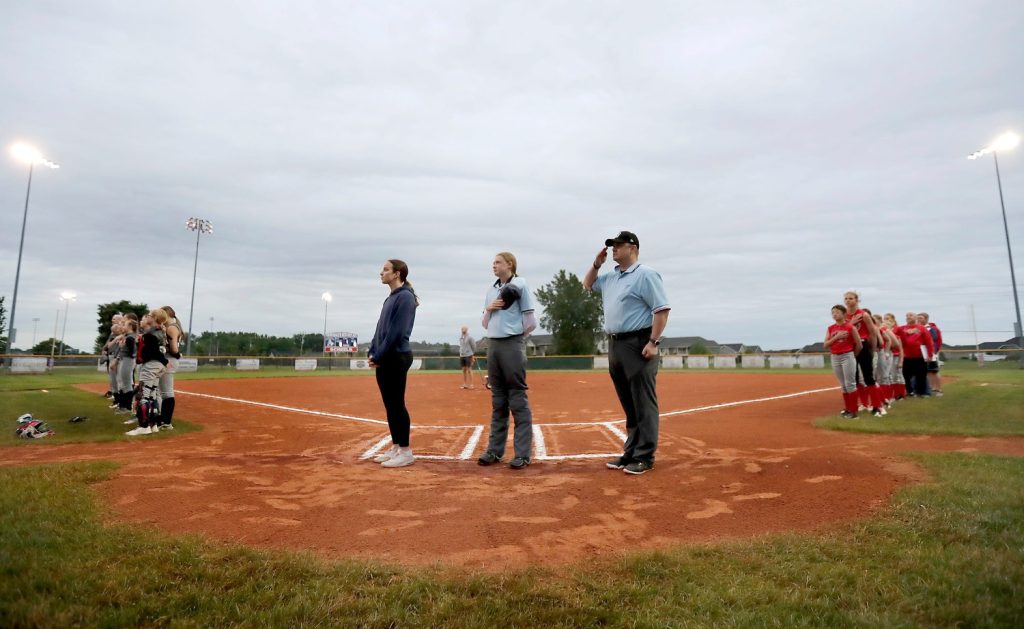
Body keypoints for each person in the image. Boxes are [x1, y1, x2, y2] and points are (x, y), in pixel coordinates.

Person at [584, 231, 670, 475]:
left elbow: (661, 311)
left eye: (618, 246)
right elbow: (587, 284)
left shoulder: (646, 275)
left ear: (632, 248)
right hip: (615, 344)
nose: (613, 249)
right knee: (629, 403)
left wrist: (653, 341)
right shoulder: (611, 277)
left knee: (643, 401)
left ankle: (645, 455)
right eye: (612, 246)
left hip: (638, 342)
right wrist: (596, 265)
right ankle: (631, 452)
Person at [477, 252, 538, 469]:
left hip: (512, 343)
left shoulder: (520, 284)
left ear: (509, 264)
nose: (493, 265)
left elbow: (531, 321)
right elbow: (485, 323)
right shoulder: (491, 290)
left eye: (498, 262)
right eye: (492, 262)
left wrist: (516, 336)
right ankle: (494, 451)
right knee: (498, 400)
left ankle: (522, 454)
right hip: (492, 344)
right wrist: (489, 309)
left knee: (517, 399)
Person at [368, 259, 419, 468]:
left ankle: (406, 451)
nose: (381, 273)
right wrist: (372, 350)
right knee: (390, 405)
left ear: (397, 274)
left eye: (386, 270)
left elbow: (397, 333)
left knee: (397, 404)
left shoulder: (405, 298)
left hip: (396, 357)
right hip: (385, 357)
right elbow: (380, 328)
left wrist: (380, 355)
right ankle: (396, 446)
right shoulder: (390, 298)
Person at [126, 310, 169, 436]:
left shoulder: (151, 333)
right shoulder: (161, 331)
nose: (147, 317)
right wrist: (164, 362)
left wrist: (164, 361)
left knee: (143, 395)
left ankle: (144, 426)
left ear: (154, 318)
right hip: (158, 366)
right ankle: (153, 424)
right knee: (152, 395)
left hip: (151, 365)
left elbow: (153, 352)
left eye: (150, 315)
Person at [843, 291, 885, 417]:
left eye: (850, 298)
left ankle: (877, 406)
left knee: (868, 377)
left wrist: (872, 348)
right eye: (846, 298)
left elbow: (872, 333)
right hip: (849, 347)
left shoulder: (864, 315)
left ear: (857, 300)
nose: (848, 301)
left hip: (863, 345)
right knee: (853, 378)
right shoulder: (844, 315)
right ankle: (856, 406)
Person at [825, 305, 863, 418]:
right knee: (843, 385)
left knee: (850, 384)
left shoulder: (850, 327)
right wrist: (836, 338)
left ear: (844, 314)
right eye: (833, 312)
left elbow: (859, 345)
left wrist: (852, 355)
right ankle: (848, 409)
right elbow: (826, 344)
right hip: (835, 356)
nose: (834, 314)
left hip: (847, 355)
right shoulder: (830, 328)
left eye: (837, 312)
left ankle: (853, 411)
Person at [895, 311, 935, 398]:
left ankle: (921, 392)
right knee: (906, 375)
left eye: (911, 315)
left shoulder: (922, 328)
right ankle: (909, 391)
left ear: (916, 317)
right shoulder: (901, 328)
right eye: (907, 315)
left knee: (921, 375)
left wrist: (930, 354)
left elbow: (929, 342)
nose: (908, 317)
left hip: (919, 356)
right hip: (906, 356)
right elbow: (893, 335)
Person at [157, 305, 184, 430]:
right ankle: (163, 420)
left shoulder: (172, 327)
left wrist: (177, 355)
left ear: (168, 315)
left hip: (170, 359)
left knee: (167, 392)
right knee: (164, 392)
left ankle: (167, 422)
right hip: (168, 359)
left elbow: (174, 349)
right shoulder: (169, 327)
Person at [918, 312, 943, 396]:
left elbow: (934, 339)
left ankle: (939, 389)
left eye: (921, 318)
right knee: (928, 372)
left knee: (934, 371)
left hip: (931, 352)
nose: (919, 320)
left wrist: (933, 352)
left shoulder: (931, 328)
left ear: (926, 319)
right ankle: (932, 388)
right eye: (918, 318)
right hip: (922, 352)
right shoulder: (918, 328)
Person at [458, 325, 477, 389]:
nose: (463, 330)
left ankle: (471, 384)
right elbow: (461, 347)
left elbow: (474, 346)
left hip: (468, 355)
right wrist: (460, 354)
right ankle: (465, 384)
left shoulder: (470, 338)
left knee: (469, 370)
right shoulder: (460, 338)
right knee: (464, 370)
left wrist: (472, 355)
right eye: (462, 329)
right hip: (462, 356)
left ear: (467, 330)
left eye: (464, 329)